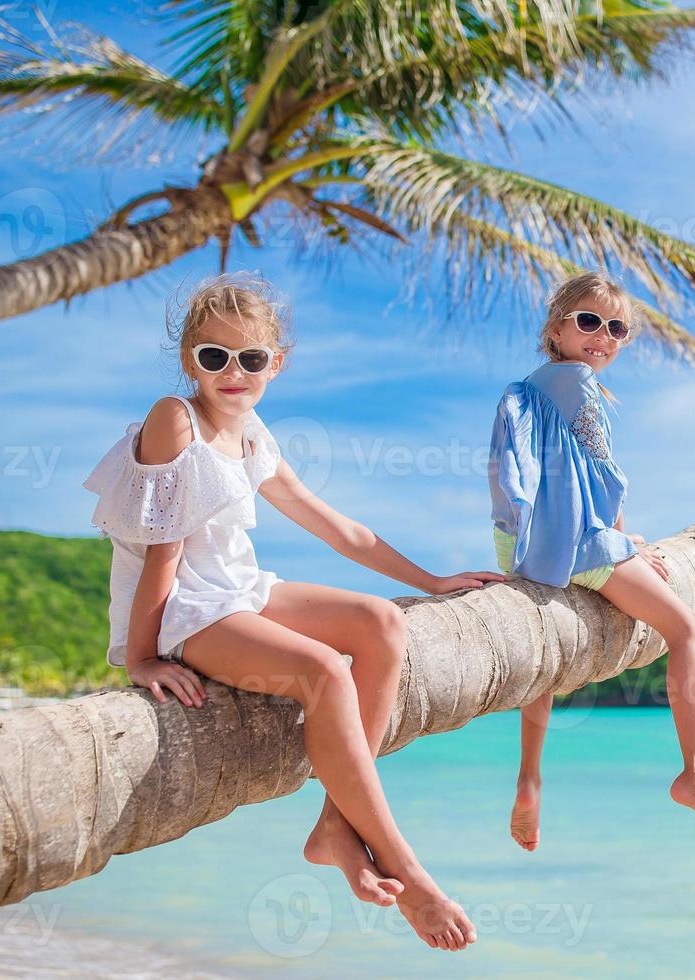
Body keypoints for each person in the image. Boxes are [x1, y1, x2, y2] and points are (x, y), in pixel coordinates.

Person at [83, 271, 505, 951]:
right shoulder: (175, 418)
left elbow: (339, 530)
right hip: (185, 612)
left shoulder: (253, 434)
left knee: (382, 624)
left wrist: (432, 579)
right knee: (324, 672)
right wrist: (141, 657)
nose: (232, 372)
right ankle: (405, 867)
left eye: (250, 358)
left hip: (239, 590)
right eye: (212, 356)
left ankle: (337, 826)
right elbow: (162, 554)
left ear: (275, 364)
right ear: (188, 358)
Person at [488, 271, 695, 855]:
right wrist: (625, 542)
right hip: (577, 543)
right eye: (589, 321)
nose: (604, 336)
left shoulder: (527, 387)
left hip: (520, 543)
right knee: (685, 628)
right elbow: (603, 480)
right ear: (557, 326)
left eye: (617, 328)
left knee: (548, 661)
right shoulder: (578, 386)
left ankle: (529, 778)